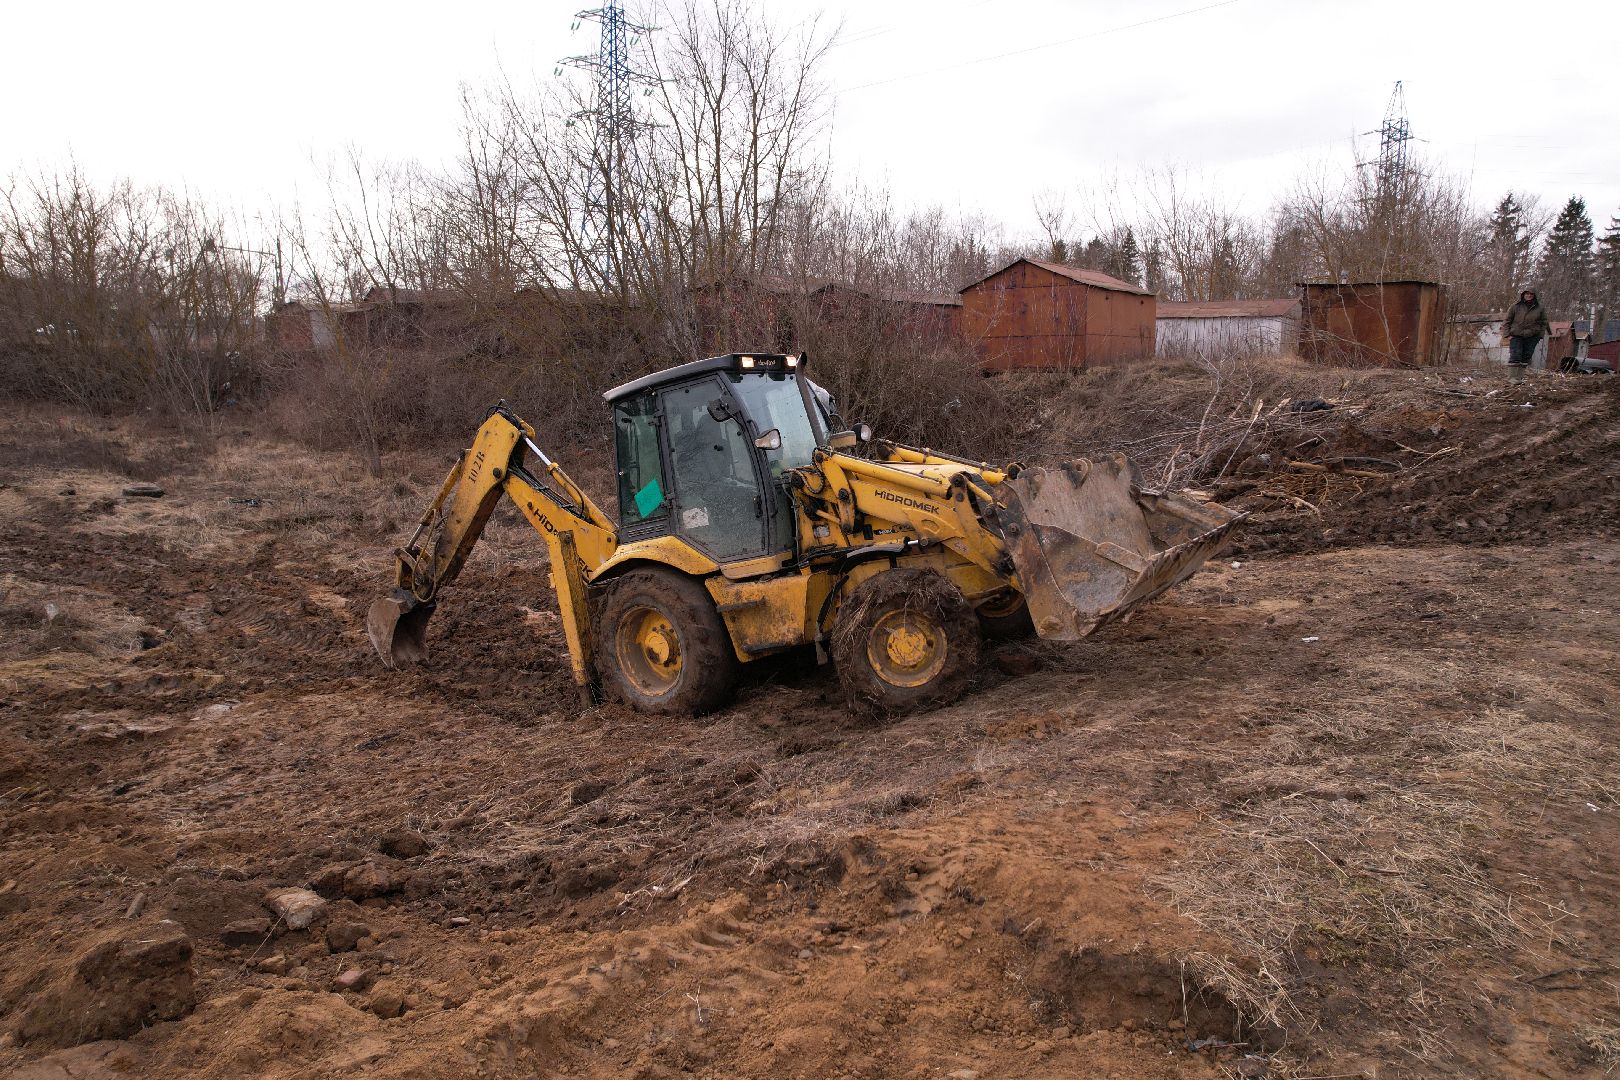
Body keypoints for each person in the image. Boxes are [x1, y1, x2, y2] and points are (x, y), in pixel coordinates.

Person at [1502, 289, 1550, 368]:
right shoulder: (1515, 306)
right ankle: (1513, 379)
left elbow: (1544, 322)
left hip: (1532, 336)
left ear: (1534, 296)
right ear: (1523, 295)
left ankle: (1520, 379)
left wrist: (1539, 336)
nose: (1529, 295)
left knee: (1526, 358)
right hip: (1516, 335)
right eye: (1527, 294)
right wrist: (1507, 335)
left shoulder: (1540, 308)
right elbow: (1507, 321)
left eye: (1531, 294)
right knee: (1515, 357)